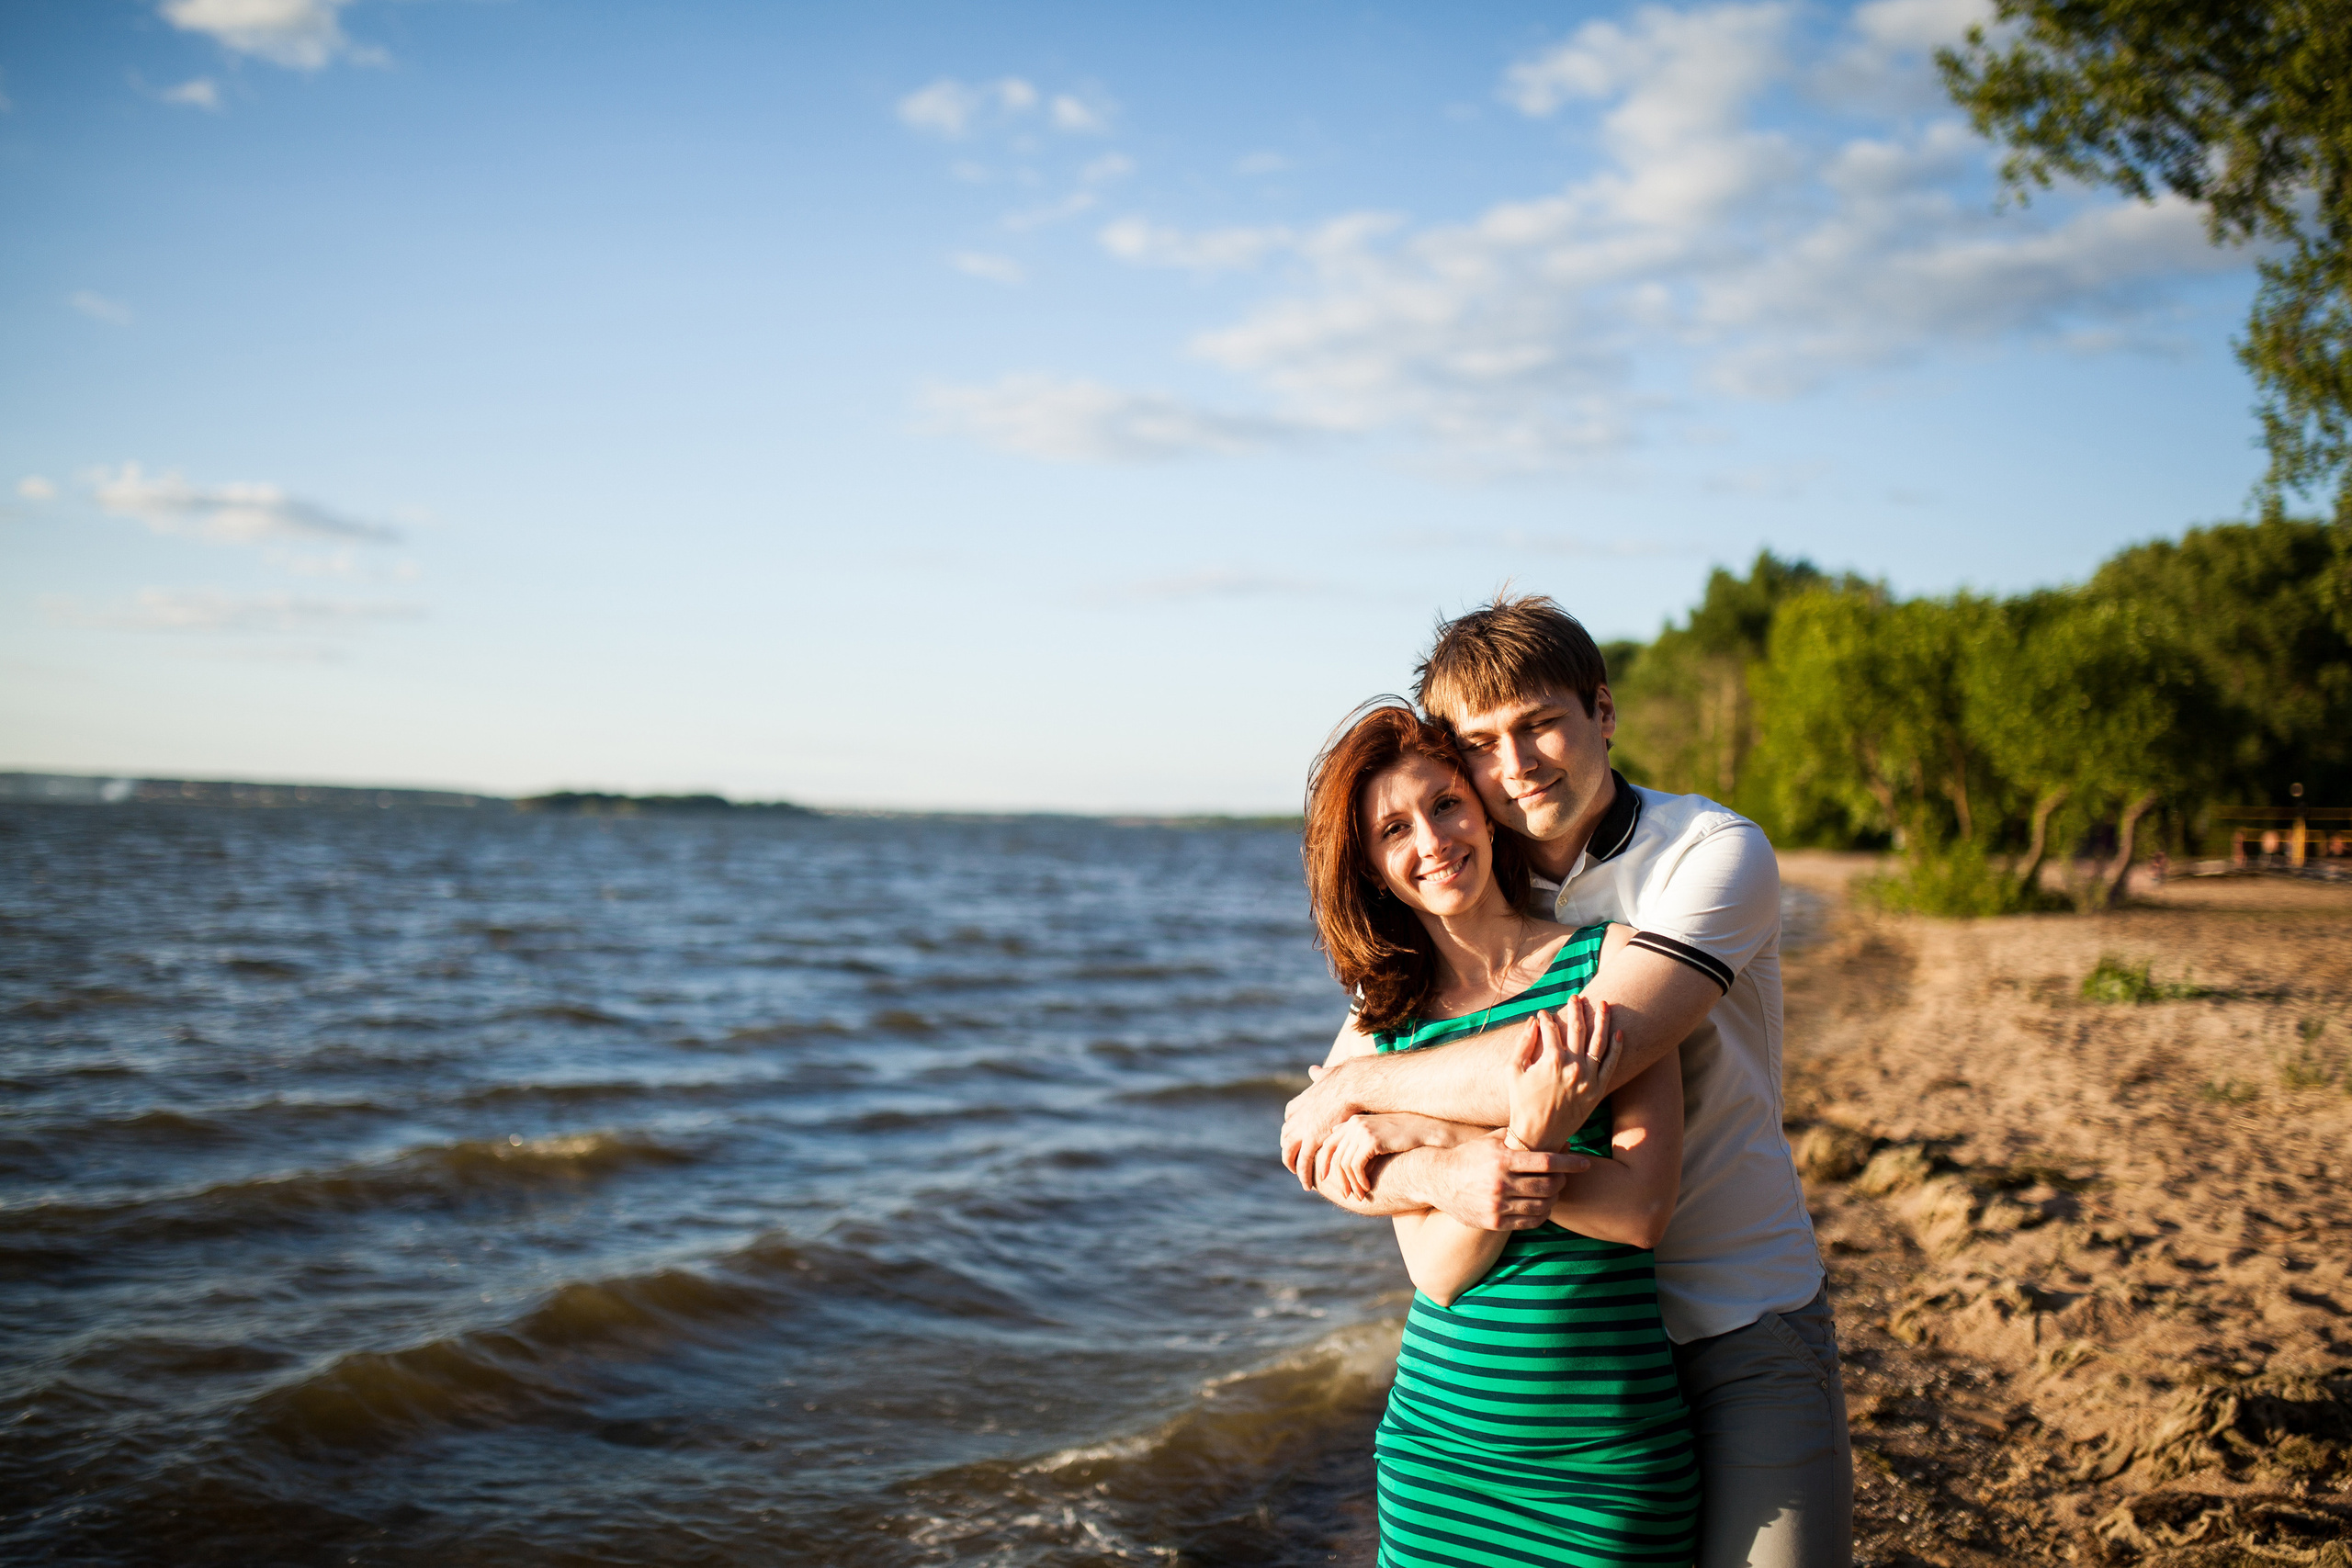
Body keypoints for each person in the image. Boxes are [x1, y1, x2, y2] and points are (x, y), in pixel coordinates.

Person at [1283, 594, 1850, 1568]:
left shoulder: (1709, 855)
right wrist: (1426, 1163)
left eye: (1539, 724)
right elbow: (1329, 1134)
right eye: (1482, 744)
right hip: (1565, 1361)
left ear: (1602, 712)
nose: (1516, 765)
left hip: (1736, 1311)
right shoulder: (1469, 897)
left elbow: (1577, 1051)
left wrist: (1369, 1108)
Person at [1304, 701, 1696, 1567]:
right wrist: (1503, 1143)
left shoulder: (1607, 962)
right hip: (1441, 1456)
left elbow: (1639, 1210)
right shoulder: (1387, 1028)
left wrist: (1465, 1140)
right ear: (1371, 867)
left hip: (1605, 1460)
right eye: (1393, 829)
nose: (1433, 840)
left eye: (1445, 803)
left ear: (1484, 807)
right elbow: (1438, 1269)